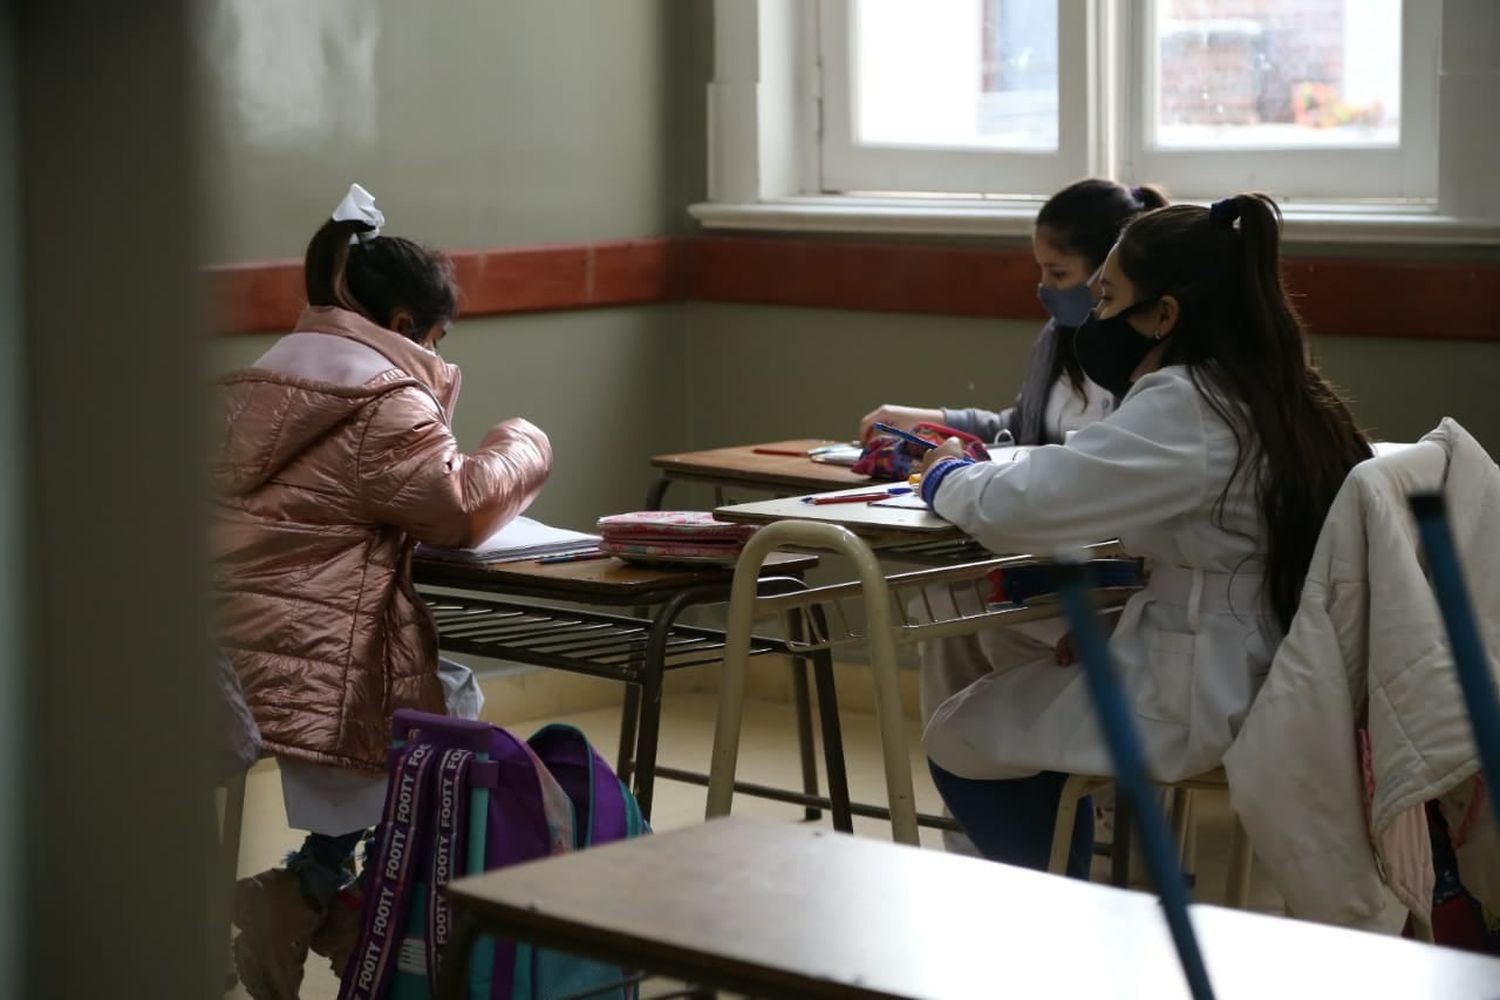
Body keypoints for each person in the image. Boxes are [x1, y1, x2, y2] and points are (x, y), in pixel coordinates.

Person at [916, 193, 1371, 876]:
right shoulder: (1294, 393)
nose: (1094, 319)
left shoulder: (1188, 402)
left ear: (1164, 314)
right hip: (1269, 663)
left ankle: (1064, 915)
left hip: (1203, 692)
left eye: (1106, 300)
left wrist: (943, 476)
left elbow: (1030, 505)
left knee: (959, 734)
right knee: (1010, 710)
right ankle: (1088, 890)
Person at [212, 184, 553, 997]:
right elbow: (460, 511)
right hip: (320, 667)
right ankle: (331, 895)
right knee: (448, 723)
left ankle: (330, 900)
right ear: (404, 328)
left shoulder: (247, 386)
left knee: (443, 699)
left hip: (226, 660)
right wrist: (524, 442)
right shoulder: (384, 399)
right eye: (435, 340)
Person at [858, 178, 1169, 448]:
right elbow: (1020, 430)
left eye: (1058, 273)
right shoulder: (1056, 335)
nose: (1044, 286)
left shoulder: (1151, 358)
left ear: (1109, 268)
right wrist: (927, 422)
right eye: (1041, 270)